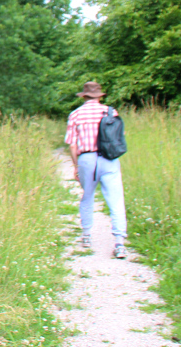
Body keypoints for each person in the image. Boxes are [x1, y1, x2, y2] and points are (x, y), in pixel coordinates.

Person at [65, 81, 127, 259]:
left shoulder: (75, 114)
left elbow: (72, 145)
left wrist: (76, 166)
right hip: (109, 158)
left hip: (87, 159)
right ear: (100, 96)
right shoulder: (110, 112)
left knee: (87, 196)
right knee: (115, 199)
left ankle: (86, 235)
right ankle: (119, 242)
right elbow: (119, 137)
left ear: (84, 96)